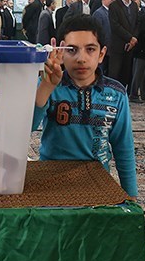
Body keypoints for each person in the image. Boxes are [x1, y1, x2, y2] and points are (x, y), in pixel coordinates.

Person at [32, 14, 137, 198]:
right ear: (60, 51)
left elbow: (123, 147)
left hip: (97, 179)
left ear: (101, 54)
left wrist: (131, 196)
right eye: (72, 50)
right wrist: (47, 87)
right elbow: (26, 129)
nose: (81, 58)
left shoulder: (116, 93)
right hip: (51, 177)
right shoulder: (49, 86)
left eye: (90, 49)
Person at [107, 0, 139, 90]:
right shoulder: (114, 6)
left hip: (131, 46)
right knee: (114, 73)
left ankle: (122, 95)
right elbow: (115, 25)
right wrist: (129, 38)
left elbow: (137, 24)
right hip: (118, 45)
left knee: (126, 74)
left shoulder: (134, 6)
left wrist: (133, 39)